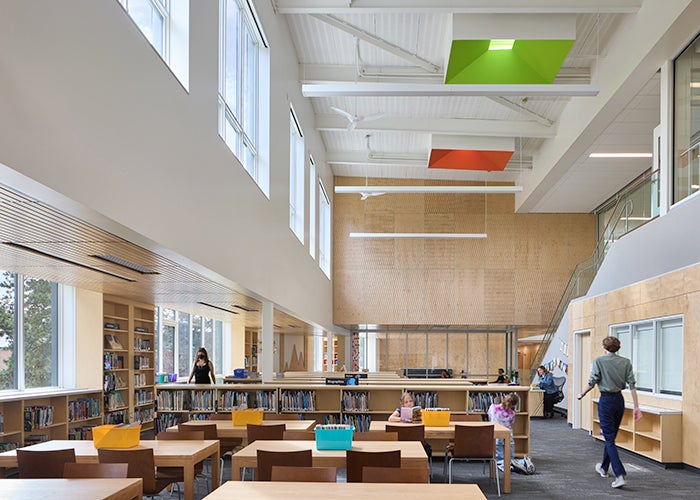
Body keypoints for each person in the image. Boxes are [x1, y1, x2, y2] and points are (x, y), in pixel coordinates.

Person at [578, 336, 641, 490]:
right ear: (618, 348)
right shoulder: (626, 362)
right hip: (619, 401)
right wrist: (636, 406)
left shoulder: (599, 361)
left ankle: (620, 475)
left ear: (604, 347)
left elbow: (592, 381)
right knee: (611, 437)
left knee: (609, 439)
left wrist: (582, 393)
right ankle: (604, 468)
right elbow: (632, 384)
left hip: (606, 401)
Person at [488, 393, 535, 475]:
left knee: (499, 458)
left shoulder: (492, 407)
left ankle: (507, 466)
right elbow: (511, 423)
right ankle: (522, 462)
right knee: (510, 456)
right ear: (515, 405)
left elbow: (490, 418)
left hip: (496, 433)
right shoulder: (511, 413)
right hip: (509, 434)